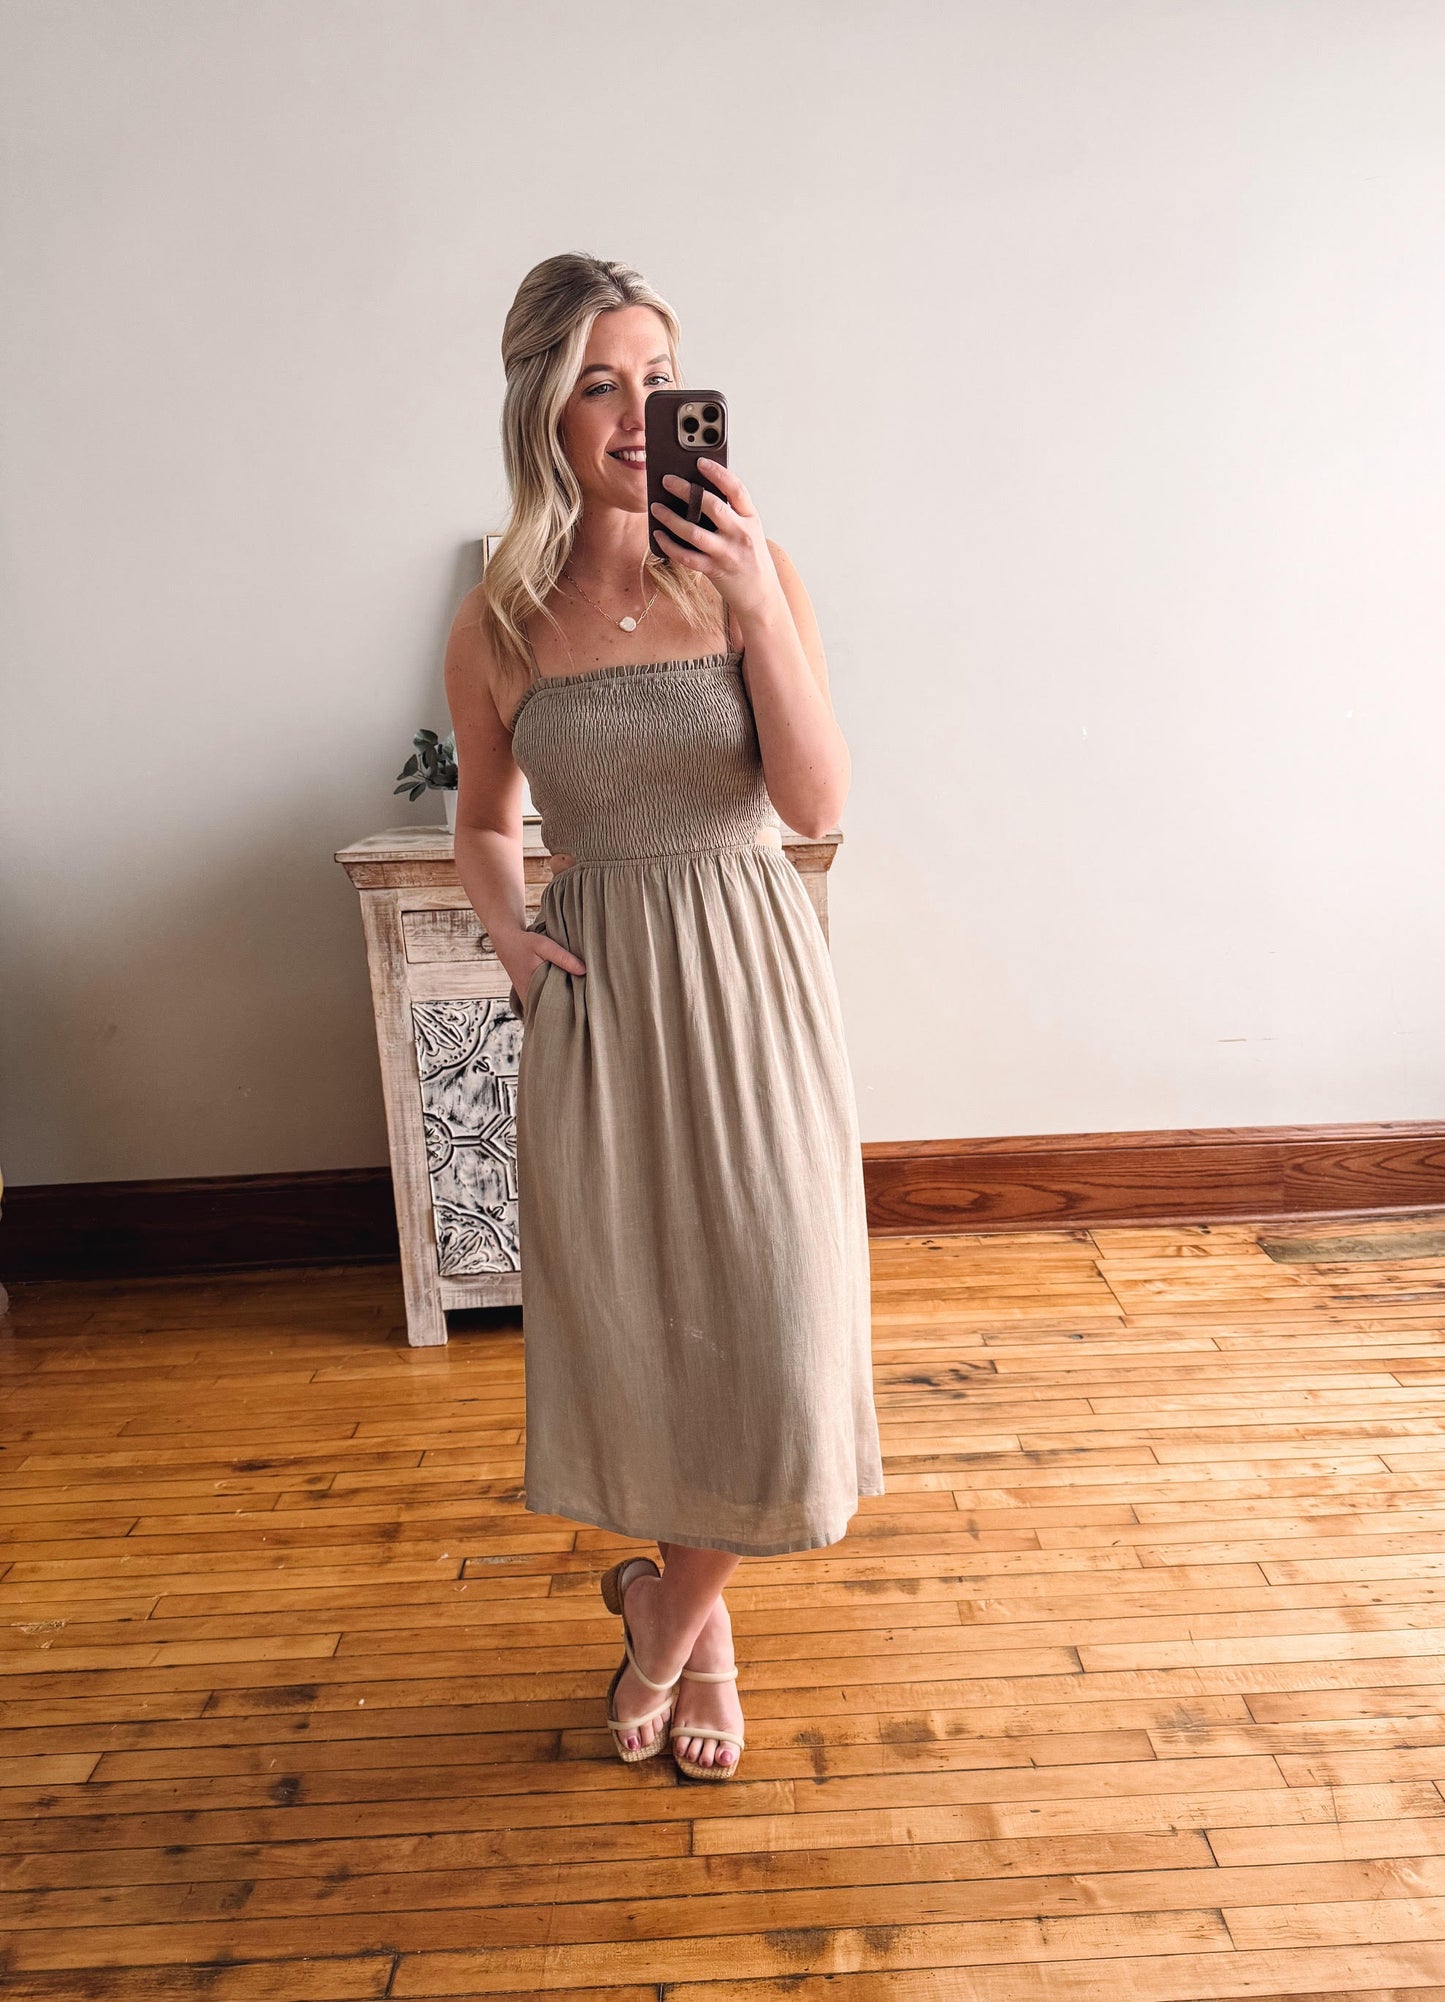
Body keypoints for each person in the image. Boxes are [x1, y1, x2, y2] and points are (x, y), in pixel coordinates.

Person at [445, 253, 882, 1781]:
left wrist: (756, 601)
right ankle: (713, 1639)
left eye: (656, 378)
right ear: (543, 411)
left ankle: (657, 1618)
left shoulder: (751, 569)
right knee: (655, 1330)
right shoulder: (499, 620)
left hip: (753, 978)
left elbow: (816, 803)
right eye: (599, 385)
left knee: (772, 1326)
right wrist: (509, 932)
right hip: (606, 1001)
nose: (636, 413)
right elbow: (484, 818)